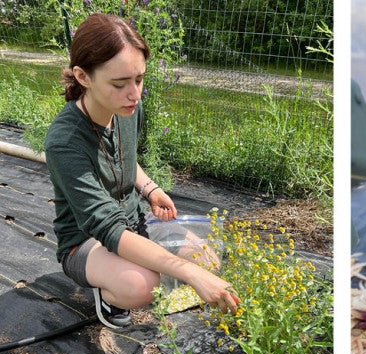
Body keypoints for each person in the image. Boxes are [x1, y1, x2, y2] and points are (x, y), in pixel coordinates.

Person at [44, 13, 240, 329]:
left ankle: (140, 267)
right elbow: (107, 228)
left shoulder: (125, 108)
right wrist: (188, 273)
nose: (135, 94)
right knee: (143, 286)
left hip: (133, 223)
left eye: (139, 79)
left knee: (209, 258)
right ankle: (107, 295)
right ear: (83, 77)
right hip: (86, 241)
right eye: (120, 83)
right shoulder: (64, 141)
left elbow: (124, 157)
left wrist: (150, 189)